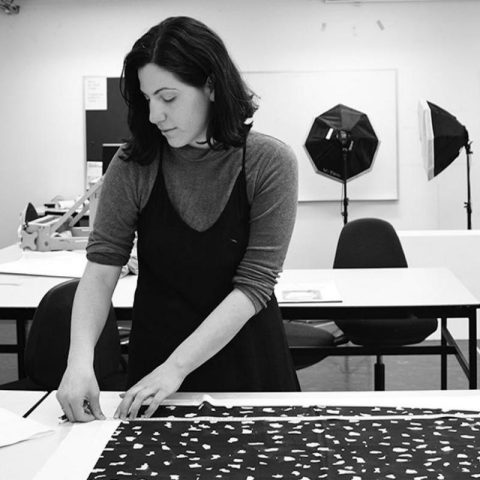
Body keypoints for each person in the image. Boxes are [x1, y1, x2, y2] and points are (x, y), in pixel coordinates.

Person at [57, 16, 299, 422]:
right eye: (147, 98)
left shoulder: (269, 162)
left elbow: (255, 285)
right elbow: (100, 271)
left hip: (247, 362)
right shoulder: (135, 163)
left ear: (211, 86)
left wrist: (176, 368)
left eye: (168, 97)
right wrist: (79, 361)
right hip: (155, 361)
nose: (154, 114)